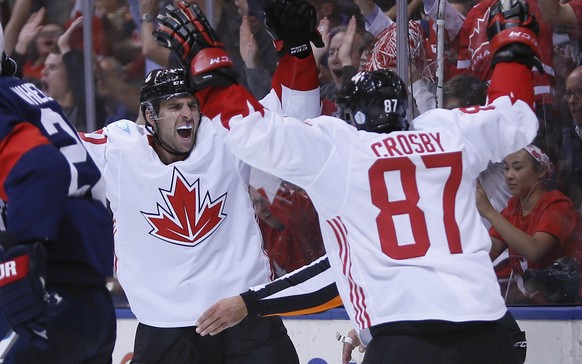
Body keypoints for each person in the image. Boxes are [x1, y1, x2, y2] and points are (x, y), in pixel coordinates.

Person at [154, 0, 538, 363]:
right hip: (490, 328)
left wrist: (205, 59)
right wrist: (514, 44)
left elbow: (251, 129)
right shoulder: (447, 131)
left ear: (349, 116)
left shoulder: (340, 149)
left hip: (407, 337)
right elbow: (516, 116)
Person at [78, 68, 299, 363]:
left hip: (247, 314)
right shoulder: (118, 148)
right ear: (149, 115)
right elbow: (49, 148)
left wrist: (294, 49)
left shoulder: (224, 133)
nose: (187, 114)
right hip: (165, 329)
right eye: (174, 106)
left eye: (192, 105)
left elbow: (294, 107)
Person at [0, 21, 116, 363]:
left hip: (49, 295)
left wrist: (22, 255)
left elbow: (40, 166)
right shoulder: (20, 94)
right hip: (89, 302)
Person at [477, 144, 582, 304]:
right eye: (506, 169)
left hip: (568, 307)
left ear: (541, 171)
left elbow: (535, 251)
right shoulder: (512, 210)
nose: (509, 176)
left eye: (517, 168)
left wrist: (489, 212)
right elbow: (486, 254)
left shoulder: (557, 205)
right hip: (534, 307)